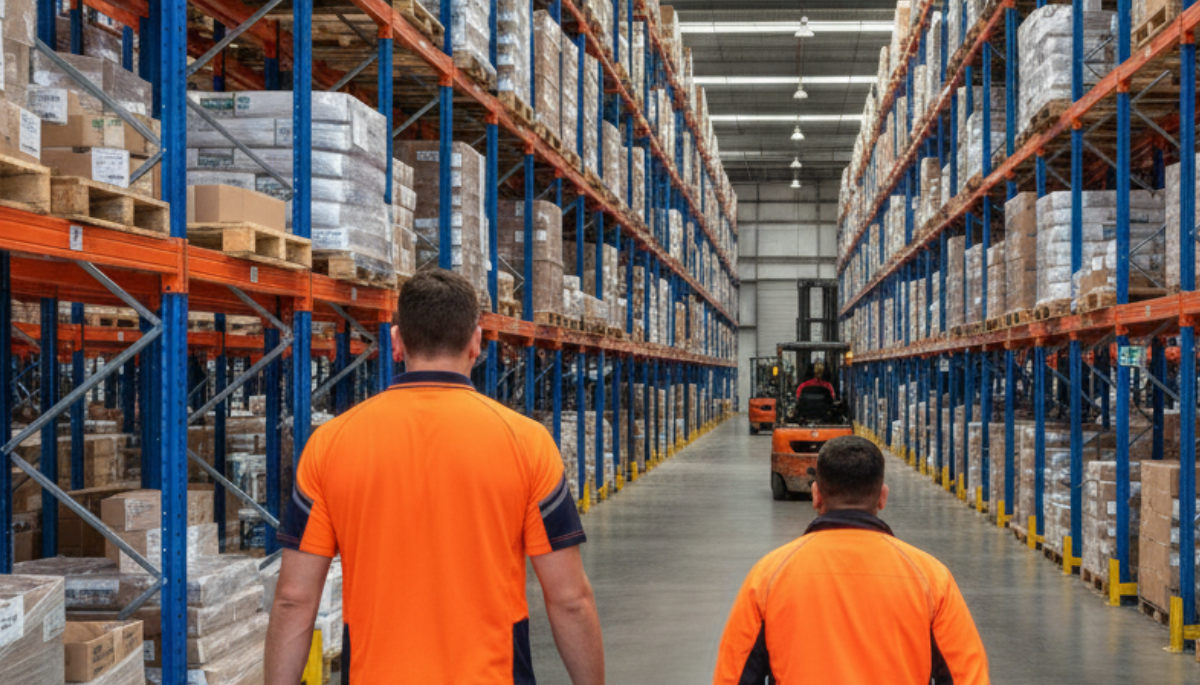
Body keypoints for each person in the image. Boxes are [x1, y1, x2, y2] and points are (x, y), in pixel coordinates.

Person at [264, 270, 605, 685]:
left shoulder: (330, 444)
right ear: (476, 341)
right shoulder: (527, 443)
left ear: (395, 342)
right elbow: (570, 600)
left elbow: (294, 601)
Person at [712, 436, 989, 684]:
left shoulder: (768, 577)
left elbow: (732, 677)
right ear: (882, 497)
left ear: (816, 494)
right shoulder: (931, 578)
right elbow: (967, 676)